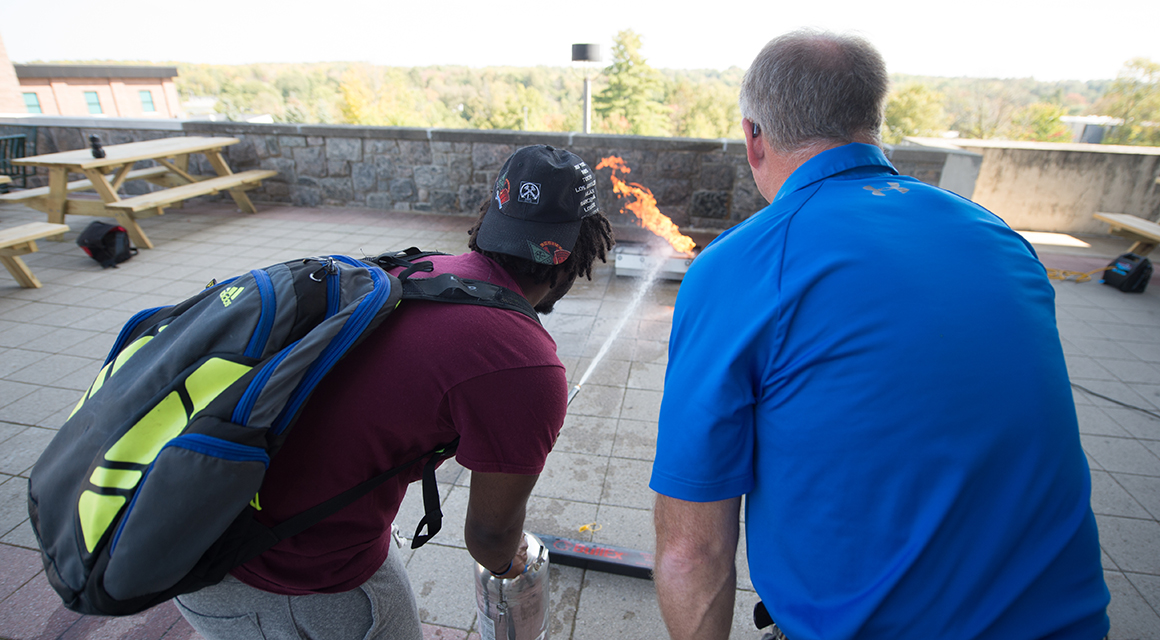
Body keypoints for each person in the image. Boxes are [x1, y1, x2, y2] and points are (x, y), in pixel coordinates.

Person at [649, 30, 1110, 640]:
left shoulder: (744, 266)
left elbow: (692, 552)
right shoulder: (998, 238)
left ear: (754, 137)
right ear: (872, 121)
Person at [176, 144, 614, 639]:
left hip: (193, 528)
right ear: (573, 255)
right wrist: (518, 565)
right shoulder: (526, 363)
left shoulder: (415, 269)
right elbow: (490, 541)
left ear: (492, 219)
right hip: (293, 579)